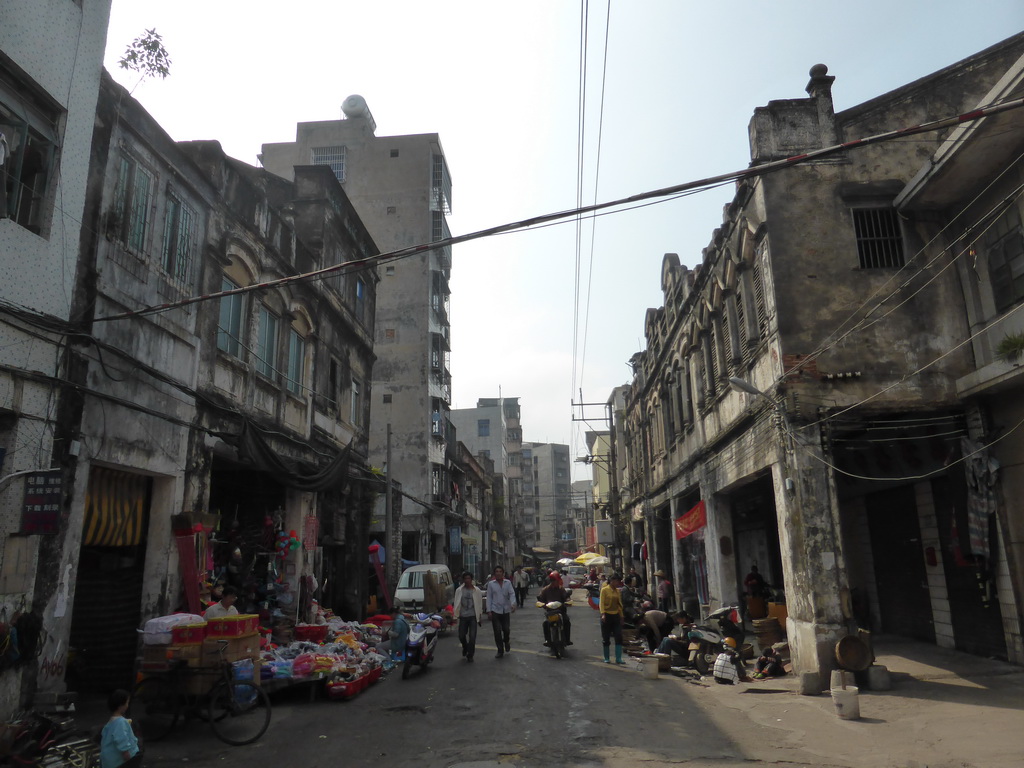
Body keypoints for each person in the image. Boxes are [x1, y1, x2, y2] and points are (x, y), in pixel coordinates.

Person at [100, 689, 141, 768]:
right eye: (127, 702)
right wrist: (127, 755)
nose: (127, 705)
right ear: (120, 706)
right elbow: (121, 739)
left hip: (108, 760)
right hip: (119, 761)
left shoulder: (111, 722)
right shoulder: (121, 722)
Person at [485, 566, 516, 658]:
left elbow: (512, 594)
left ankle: (506, 641)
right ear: (494, 574)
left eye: (500, 571)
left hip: (505, 610)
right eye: (496, 571)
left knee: (506, 629)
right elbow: (489, 597)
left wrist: (513, 604)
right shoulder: (491, 584)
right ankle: (500, 650)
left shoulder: (508, 583)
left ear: (503, 573)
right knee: (497, 631)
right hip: (495, 610)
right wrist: (489, 610)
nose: (498, 573)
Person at [453, 572, 484, 662]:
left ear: (471, 579)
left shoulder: (476, 590)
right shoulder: (459, 590)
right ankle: (465, 647)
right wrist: (455, 616)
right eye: (465, 578)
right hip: (463, 616)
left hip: (473, 616)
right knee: (461, 636)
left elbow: (479, 603)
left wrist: (480, 616)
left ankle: (470, 654)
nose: (467, 580)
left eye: (469, 578)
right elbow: (456, 603)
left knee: (472, 637)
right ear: (463, 580)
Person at [537, 571, 573, 648]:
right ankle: (547, 640)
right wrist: (541, 604)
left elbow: (566, 597)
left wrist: (568, 601)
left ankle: (567, 639)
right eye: (556, 581)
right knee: (545, 623)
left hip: (561, 611)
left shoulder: (561, 589)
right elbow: (540, 599)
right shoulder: (545, 590)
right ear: (552, 581)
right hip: (550, 612)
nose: (557, 582)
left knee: (567, 621)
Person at [599, 572, 626, 665]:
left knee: (618, 636)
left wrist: (621, 616)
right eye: (616, 581)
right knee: (606, 637)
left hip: (616, 616)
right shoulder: (604, 590)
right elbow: (601, 603)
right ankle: (607, 657)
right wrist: (603, 614)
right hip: (606, 615)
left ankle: (618, 658)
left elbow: (619, 605)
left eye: (618, 581)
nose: (617, 583)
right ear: (611, 581)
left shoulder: (618, 591)